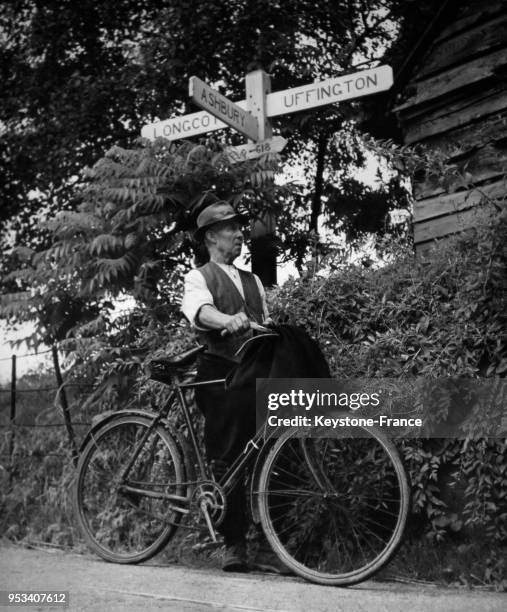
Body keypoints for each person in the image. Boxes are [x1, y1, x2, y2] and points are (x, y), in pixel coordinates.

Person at [181, 200, 285, 574]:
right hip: (221, 372)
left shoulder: (254, 280)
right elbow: (200, 312)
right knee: (228, 455)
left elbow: (265, 321)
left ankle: (274, 543)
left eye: (241, 227)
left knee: (270, 452)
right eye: (231, 228)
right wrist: (226, 319)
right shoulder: (199, 277)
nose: (240, 233)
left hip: (255, 370)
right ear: (211, 236)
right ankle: (234, 544)